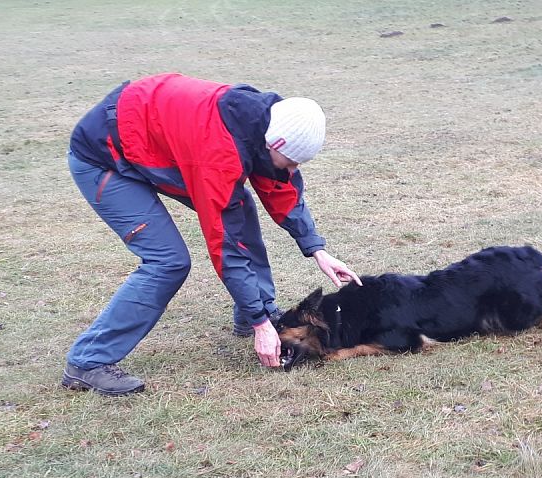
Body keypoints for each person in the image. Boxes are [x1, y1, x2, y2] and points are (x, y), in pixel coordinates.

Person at [61, 73, 361, 396]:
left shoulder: (268, 123)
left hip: (154, 143)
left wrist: (317, 248)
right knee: (168, 261)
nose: (291, 170)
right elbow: (226, 246)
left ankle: (253, 313)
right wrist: (264, 327)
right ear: (276, 144)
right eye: (290, 162)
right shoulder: (220, 153)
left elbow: (281, 187)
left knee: (240, 205)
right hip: (105, 157)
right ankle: (88, 361)